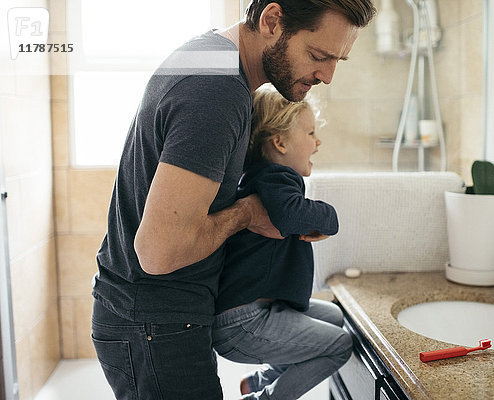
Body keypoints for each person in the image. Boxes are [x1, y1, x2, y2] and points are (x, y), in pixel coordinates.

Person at [90, 1, 376, 399]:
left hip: (155, 316)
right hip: (154, 322)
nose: (327, 76)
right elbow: (158, 253)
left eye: (337, 60)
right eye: (318, 56)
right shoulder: (216, 89)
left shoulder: (215, 65)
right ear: (272, 21)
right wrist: (247, 213)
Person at [213, 84, 347, 400]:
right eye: (311, 133)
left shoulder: (263, 177)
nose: (318, 142)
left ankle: (260, 379)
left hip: (250, 312)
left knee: (336, 317)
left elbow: (288, 215)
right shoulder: (276, 177)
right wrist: (329, 217)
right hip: (243, 323)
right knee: (340, 345)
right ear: (280, 143)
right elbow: (291, 215)